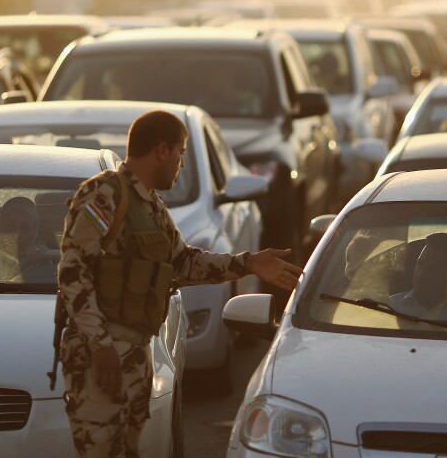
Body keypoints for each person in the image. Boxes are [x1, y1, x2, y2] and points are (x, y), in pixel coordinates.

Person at [57, 110, 301, 458]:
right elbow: (72, 271)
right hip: (101, 358)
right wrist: (99, 346)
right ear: (161, 150)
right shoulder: (103, 195)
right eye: (180, 152)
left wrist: (247, 263)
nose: (181, 163)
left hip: (134, 354)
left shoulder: (152, 207)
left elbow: (184, 263)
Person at [0, 196, 53, 282]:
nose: (17, 234)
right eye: (9, 226)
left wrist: (46, 262)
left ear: (35, 230)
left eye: (25, 227)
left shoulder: (49, 257)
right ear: (0, 228)